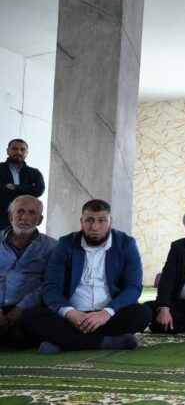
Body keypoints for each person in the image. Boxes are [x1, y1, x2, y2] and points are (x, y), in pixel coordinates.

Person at [17, 199, 151, 354]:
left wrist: (106, 313)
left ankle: (63, 343)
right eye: (89, 220)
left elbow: (133, 287)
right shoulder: (65, 244)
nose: (95, 227)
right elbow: (51, 287)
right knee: (29, 317)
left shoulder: (126, 244)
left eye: (101, 220)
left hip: (109, 315)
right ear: (82, 222)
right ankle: (105, 342)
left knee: (143, 313)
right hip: (71, 316)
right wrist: (69, 312)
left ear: (110, 222)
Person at [0, 196, 57, 347]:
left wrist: (21, 308)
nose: (25, 217)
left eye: (32, 213)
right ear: (10, 217)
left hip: (28, 310)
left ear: (40, 220)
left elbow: (50, 284)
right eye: (20, 212)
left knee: (37, 320)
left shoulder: (53, 247)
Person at [1, 139, 45, 231]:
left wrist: (14, 187)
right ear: (7, 151)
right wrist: (27, 192)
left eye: (22, 150)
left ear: (26, 153)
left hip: (25, 219)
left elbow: (39, 190)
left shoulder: (34, 173)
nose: (19, 152)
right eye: (15, 149)